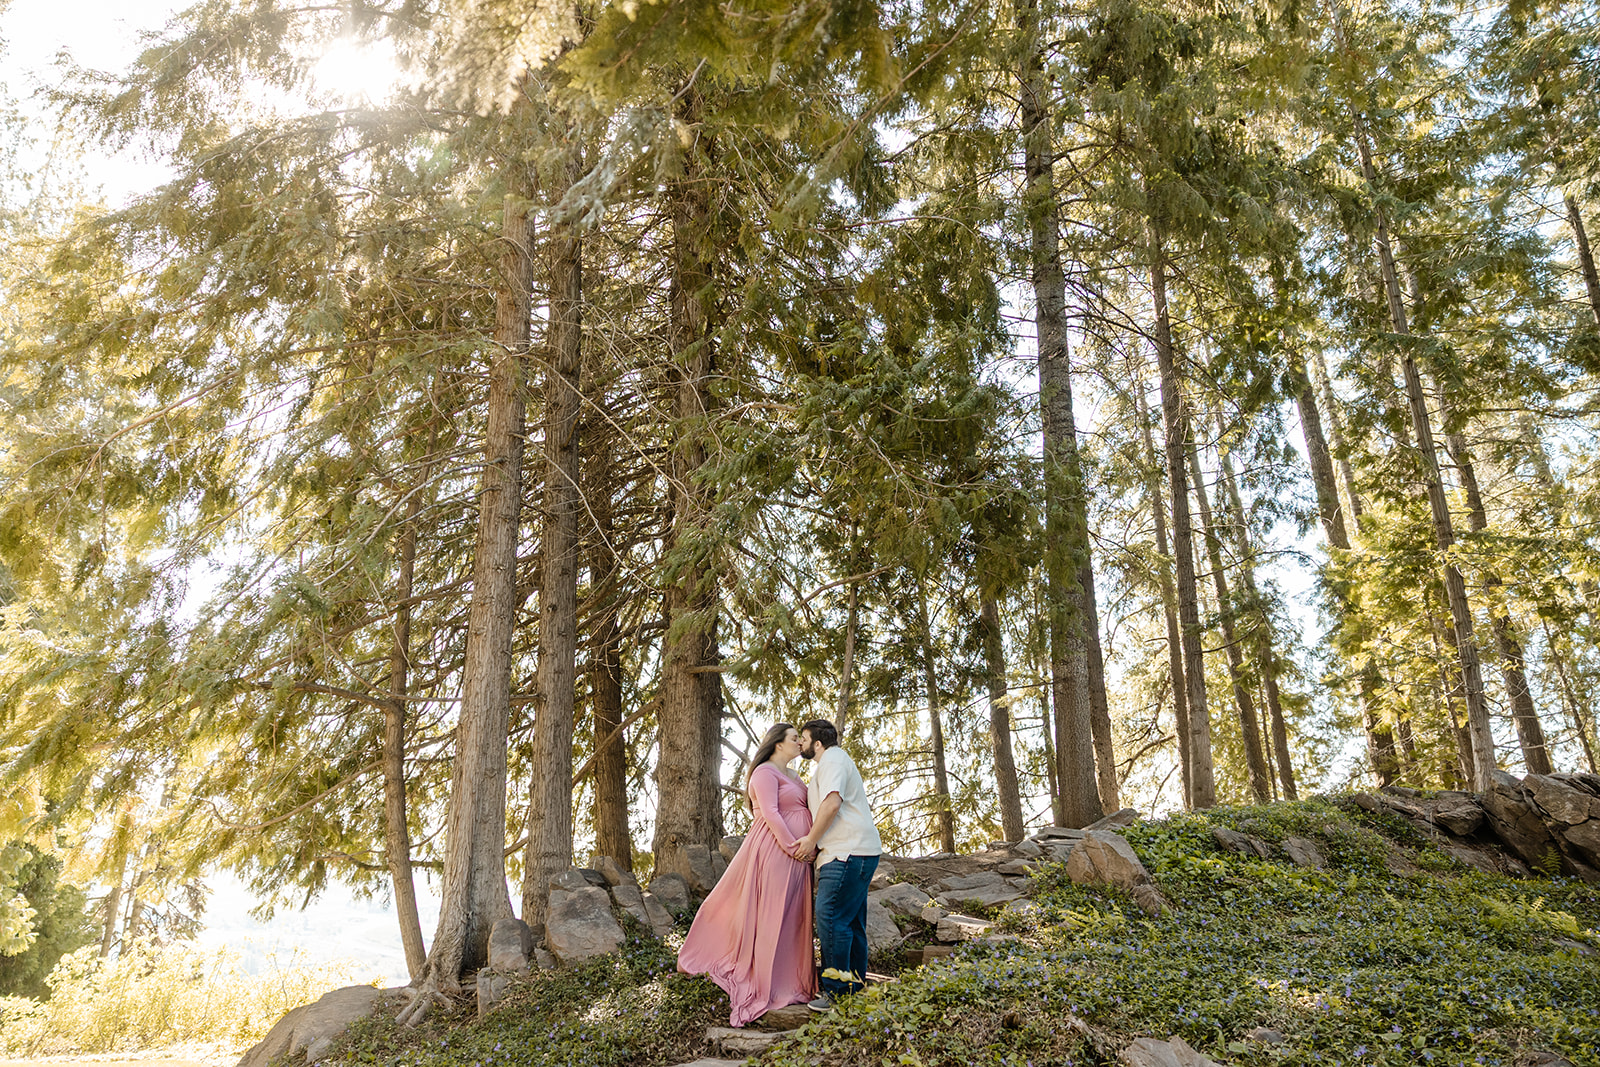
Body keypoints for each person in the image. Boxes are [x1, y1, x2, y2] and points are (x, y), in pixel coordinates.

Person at [677, 723, 818, 1027]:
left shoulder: (795, 776)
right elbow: (770, 813)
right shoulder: (764, 772)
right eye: (794, 738)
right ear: (778, 743)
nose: (800, 743)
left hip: (799, 855)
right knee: (774, 912)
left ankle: (792, 980)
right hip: (778, 850)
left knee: (794, 915)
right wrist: (792, 846)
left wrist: (811, 846)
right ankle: (770, 981)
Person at [794, 718, 882, 1013]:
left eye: (804, 738)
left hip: (846, 853)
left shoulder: (831, 760)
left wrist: (810, 841)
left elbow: (832, 803)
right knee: (851, 922)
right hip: (858, 851)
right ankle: (854, 988)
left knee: (831, 919)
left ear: (817, 743)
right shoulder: (836, 761)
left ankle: (836, 993)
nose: (801, 743)